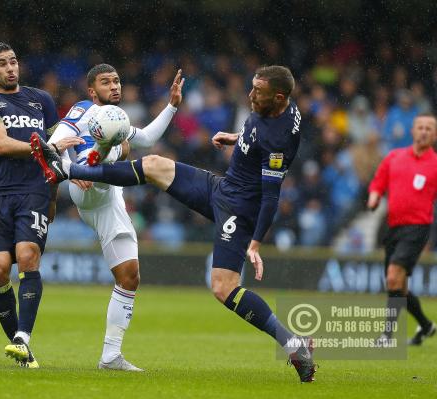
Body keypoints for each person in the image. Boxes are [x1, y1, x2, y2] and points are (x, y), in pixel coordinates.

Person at [31, 65, 317, 382]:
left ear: (277, 97)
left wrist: (256, 242)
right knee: (153, 165)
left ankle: (294, 343)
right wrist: (239, 138)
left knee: (223, 288)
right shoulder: (277, 106)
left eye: (257, 92)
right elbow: (258, 134)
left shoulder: (279, 139)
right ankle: (69, 172)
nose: (250, 95)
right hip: (222, 187)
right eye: (251, 87)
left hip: (239, 210)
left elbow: (272, 197)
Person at [47, 64, 184, 371]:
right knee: (114, 148)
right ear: (92, 91)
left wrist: (172, 106)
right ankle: (88, 161)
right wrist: (68, 165)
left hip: (109, 198)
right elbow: (55, 144)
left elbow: (147, 137)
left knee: (130, 276)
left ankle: (110, 355)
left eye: (117, 81)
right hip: (85, 187)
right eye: (106, 82)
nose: (115, 86)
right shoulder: (83, 110)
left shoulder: (118, 120)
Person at [0, 42, 82, 368]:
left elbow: (57, 151)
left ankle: (23, 337)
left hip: (33, 191)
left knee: (27, 256)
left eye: (14, 62)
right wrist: (45, 147)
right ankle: (21, 350)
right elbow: (2, 145)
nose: (11, 68)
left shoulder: (41, 100)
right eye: (2, 64)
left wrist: (54, 193)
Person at [368, 113, 437, 346]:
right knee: (397, 285)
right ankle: (426, 326)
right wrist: (374, 197)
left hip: (417, 227)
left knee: (393, 275)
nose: (424, 131)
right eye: (421, 127)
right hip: (393, 226)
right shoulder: (394, 157)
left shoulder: (435, 165)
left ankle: (387, 337)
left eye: (429, 128)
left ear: (435, 135)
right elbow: (378, 182)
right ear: (413, 131)